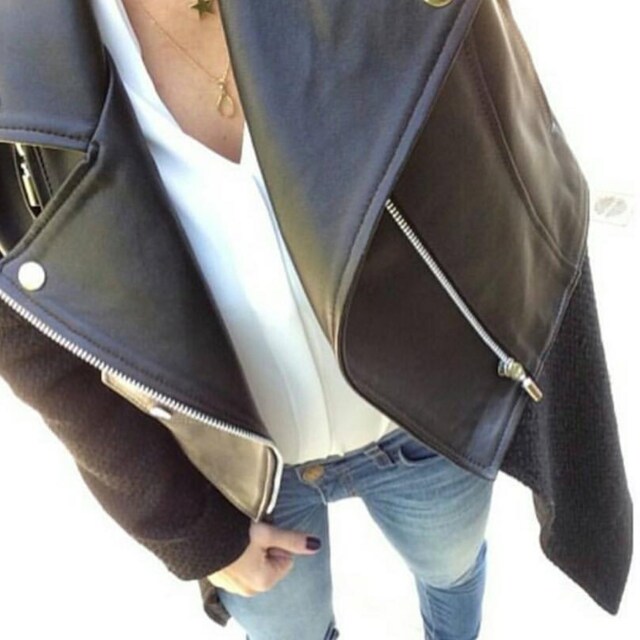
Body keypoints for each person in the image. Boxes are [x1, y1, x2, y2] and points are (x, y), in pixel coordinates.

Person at [0, 1, 631, 639]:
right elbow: (28, 339)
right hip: (238, 491)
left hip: (427, 426)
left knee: (452, 572)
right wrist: (188, 529)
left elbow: (518, 158)